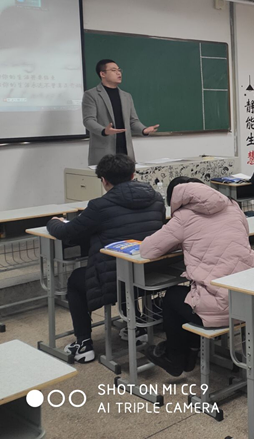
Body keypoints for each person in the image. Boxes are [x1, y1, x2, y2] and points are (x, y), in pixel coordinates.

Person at [46, 154, 165, 363]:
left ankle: (83, 344)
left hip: (115, 283)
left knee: (76, 280)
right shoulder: (156, 199)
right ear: (133, 175)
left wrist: (54, 222)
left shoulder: (100, 206)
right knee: (123, 265)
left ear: (104, 180)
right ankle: (137, 328)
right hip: (150, 278)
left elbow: (68, 232)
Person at [140, 177, 254, 376]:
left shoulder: (183, 217)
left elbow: (147, 250)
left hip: (221, 307)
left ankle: (174, 358)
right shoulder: (233, 206)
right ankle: (192, 352)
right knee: (193, 293)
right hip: (249, 297)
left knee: (173, 297)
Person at [82, 59, 160, 165]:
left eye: (119, 70)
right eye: (113, 70)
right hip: (104, 154)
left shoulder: (126, 96)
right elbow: (88, 120)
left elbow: (133, 121)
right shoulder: (91, 95)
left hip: (126, 153)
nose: (118, 73)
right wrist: (104, 131)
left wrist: (143, 130)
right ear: (102, 74)